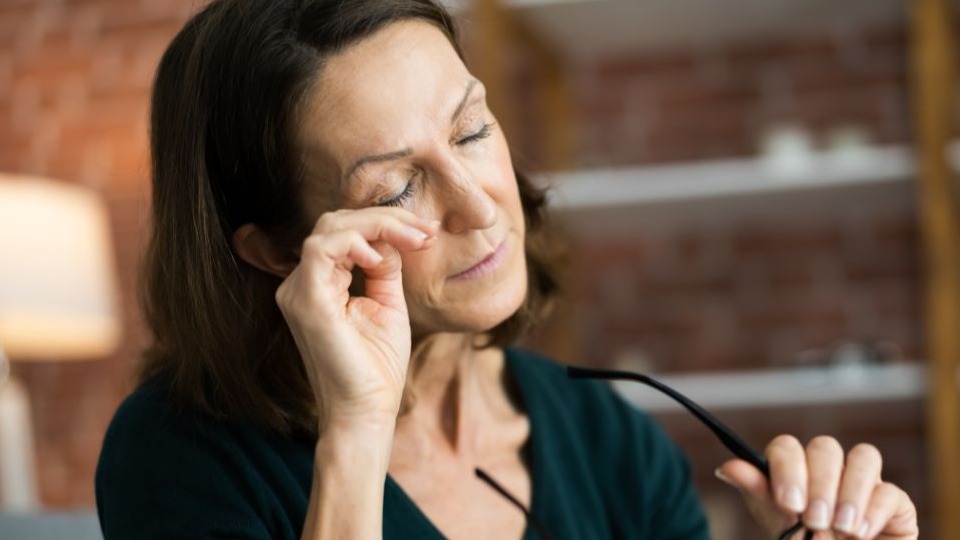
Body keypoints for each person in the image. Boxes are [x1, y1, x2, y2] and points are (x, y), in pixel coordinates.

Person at [94, 0, 919, 538]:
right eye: (398, 186)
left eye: (471, 130)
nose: (480, 205)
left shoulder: (608, 436)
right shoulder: (177, 452)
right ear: (278, 250)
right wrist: (354, 437)